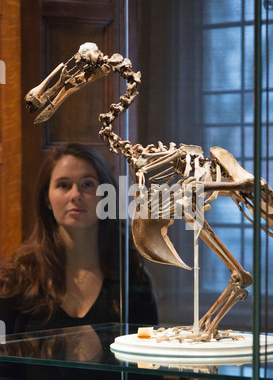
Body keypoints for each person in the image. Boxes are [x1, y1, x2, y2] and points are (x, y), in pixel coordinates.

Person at [0, 142, 158, 334]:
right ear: (47, 199)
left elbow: (146, 358)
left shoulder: (131, 274)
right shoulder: (17, 277)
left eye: (88, 184)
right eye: (63, 185)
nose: (75, 195)